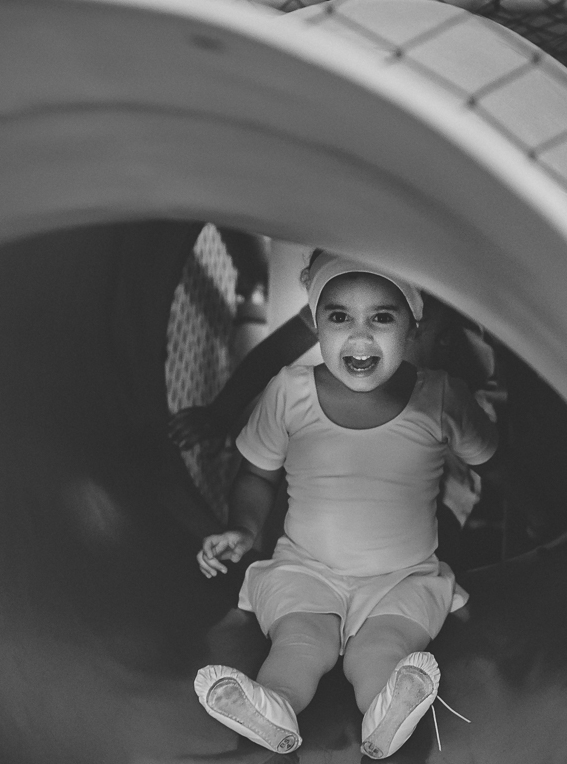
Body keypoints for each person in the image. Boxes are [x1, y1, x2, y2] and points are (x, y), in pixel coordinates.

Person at [192, 251, 499, 758]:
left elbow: (497, 463)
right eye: (339, 317)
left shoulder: (442, 397)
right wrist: (243, 530)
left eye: (381, 318)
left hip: (403, 577)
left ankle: (388, 713)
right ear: (315, 323)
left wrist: (545, 521)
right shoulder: (289, 392)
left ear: (413, 326)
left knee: (384, 648)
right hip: (306, 568)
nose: (360, 336)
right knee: (299, 640)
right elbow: (256, 476)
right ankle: (272, 707)